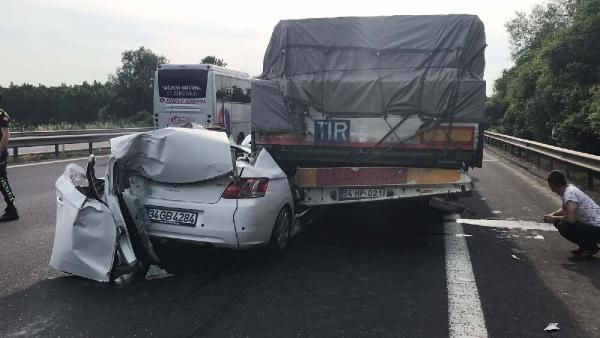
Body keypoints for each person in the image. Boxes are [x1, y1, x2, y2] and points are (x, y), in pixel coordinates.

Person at [543, 170, 600, 258]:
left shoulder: (569, 194)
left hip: (597, 229)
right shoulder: (567, 189)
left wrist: (554, 218)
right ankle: (585, 246)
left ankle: (590, 248)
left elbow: (571, 219)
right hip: (593, 226)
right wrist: (553, 215)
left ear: (552, 185)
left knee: (563, 226)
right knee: (559, 222)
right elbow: (565, 209)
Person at [0, 94, 18, 222]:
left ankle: (12, 209)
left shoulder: (1, 115)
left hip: (0, 153)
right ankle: (11, 207)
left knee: (2, 181)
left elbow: (5, 136)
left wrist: (0, 152)